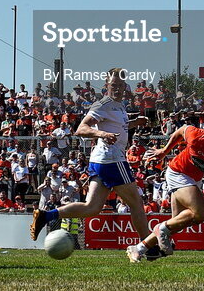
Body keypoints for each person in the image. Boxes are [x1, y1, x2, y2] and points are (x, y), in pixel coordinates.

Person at [30, 68, 159, 261]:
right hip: (112, 160)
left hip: (101, 160)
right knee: (136, 203)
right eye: (113, 85)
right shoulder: (103, 104)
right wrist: (102, 134)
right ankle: (147, 247)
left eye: (120, 86)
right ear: (106, 86)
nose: (117, 89)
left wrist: (135, 122)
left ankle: (46, 216)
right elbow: (81, 128)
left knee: (92, 207)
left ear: (125, 87)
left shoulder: (118, 105)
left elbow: (117, 127)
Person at [133, 120, 204, 262]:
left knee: (176, 224)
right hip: (177, 172)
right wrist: (164, 151)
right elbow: (181, 130)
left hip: (194, 180)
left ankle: (139, 248)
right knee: (202, 213)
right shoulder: (199, 136)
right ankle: (160, 228)